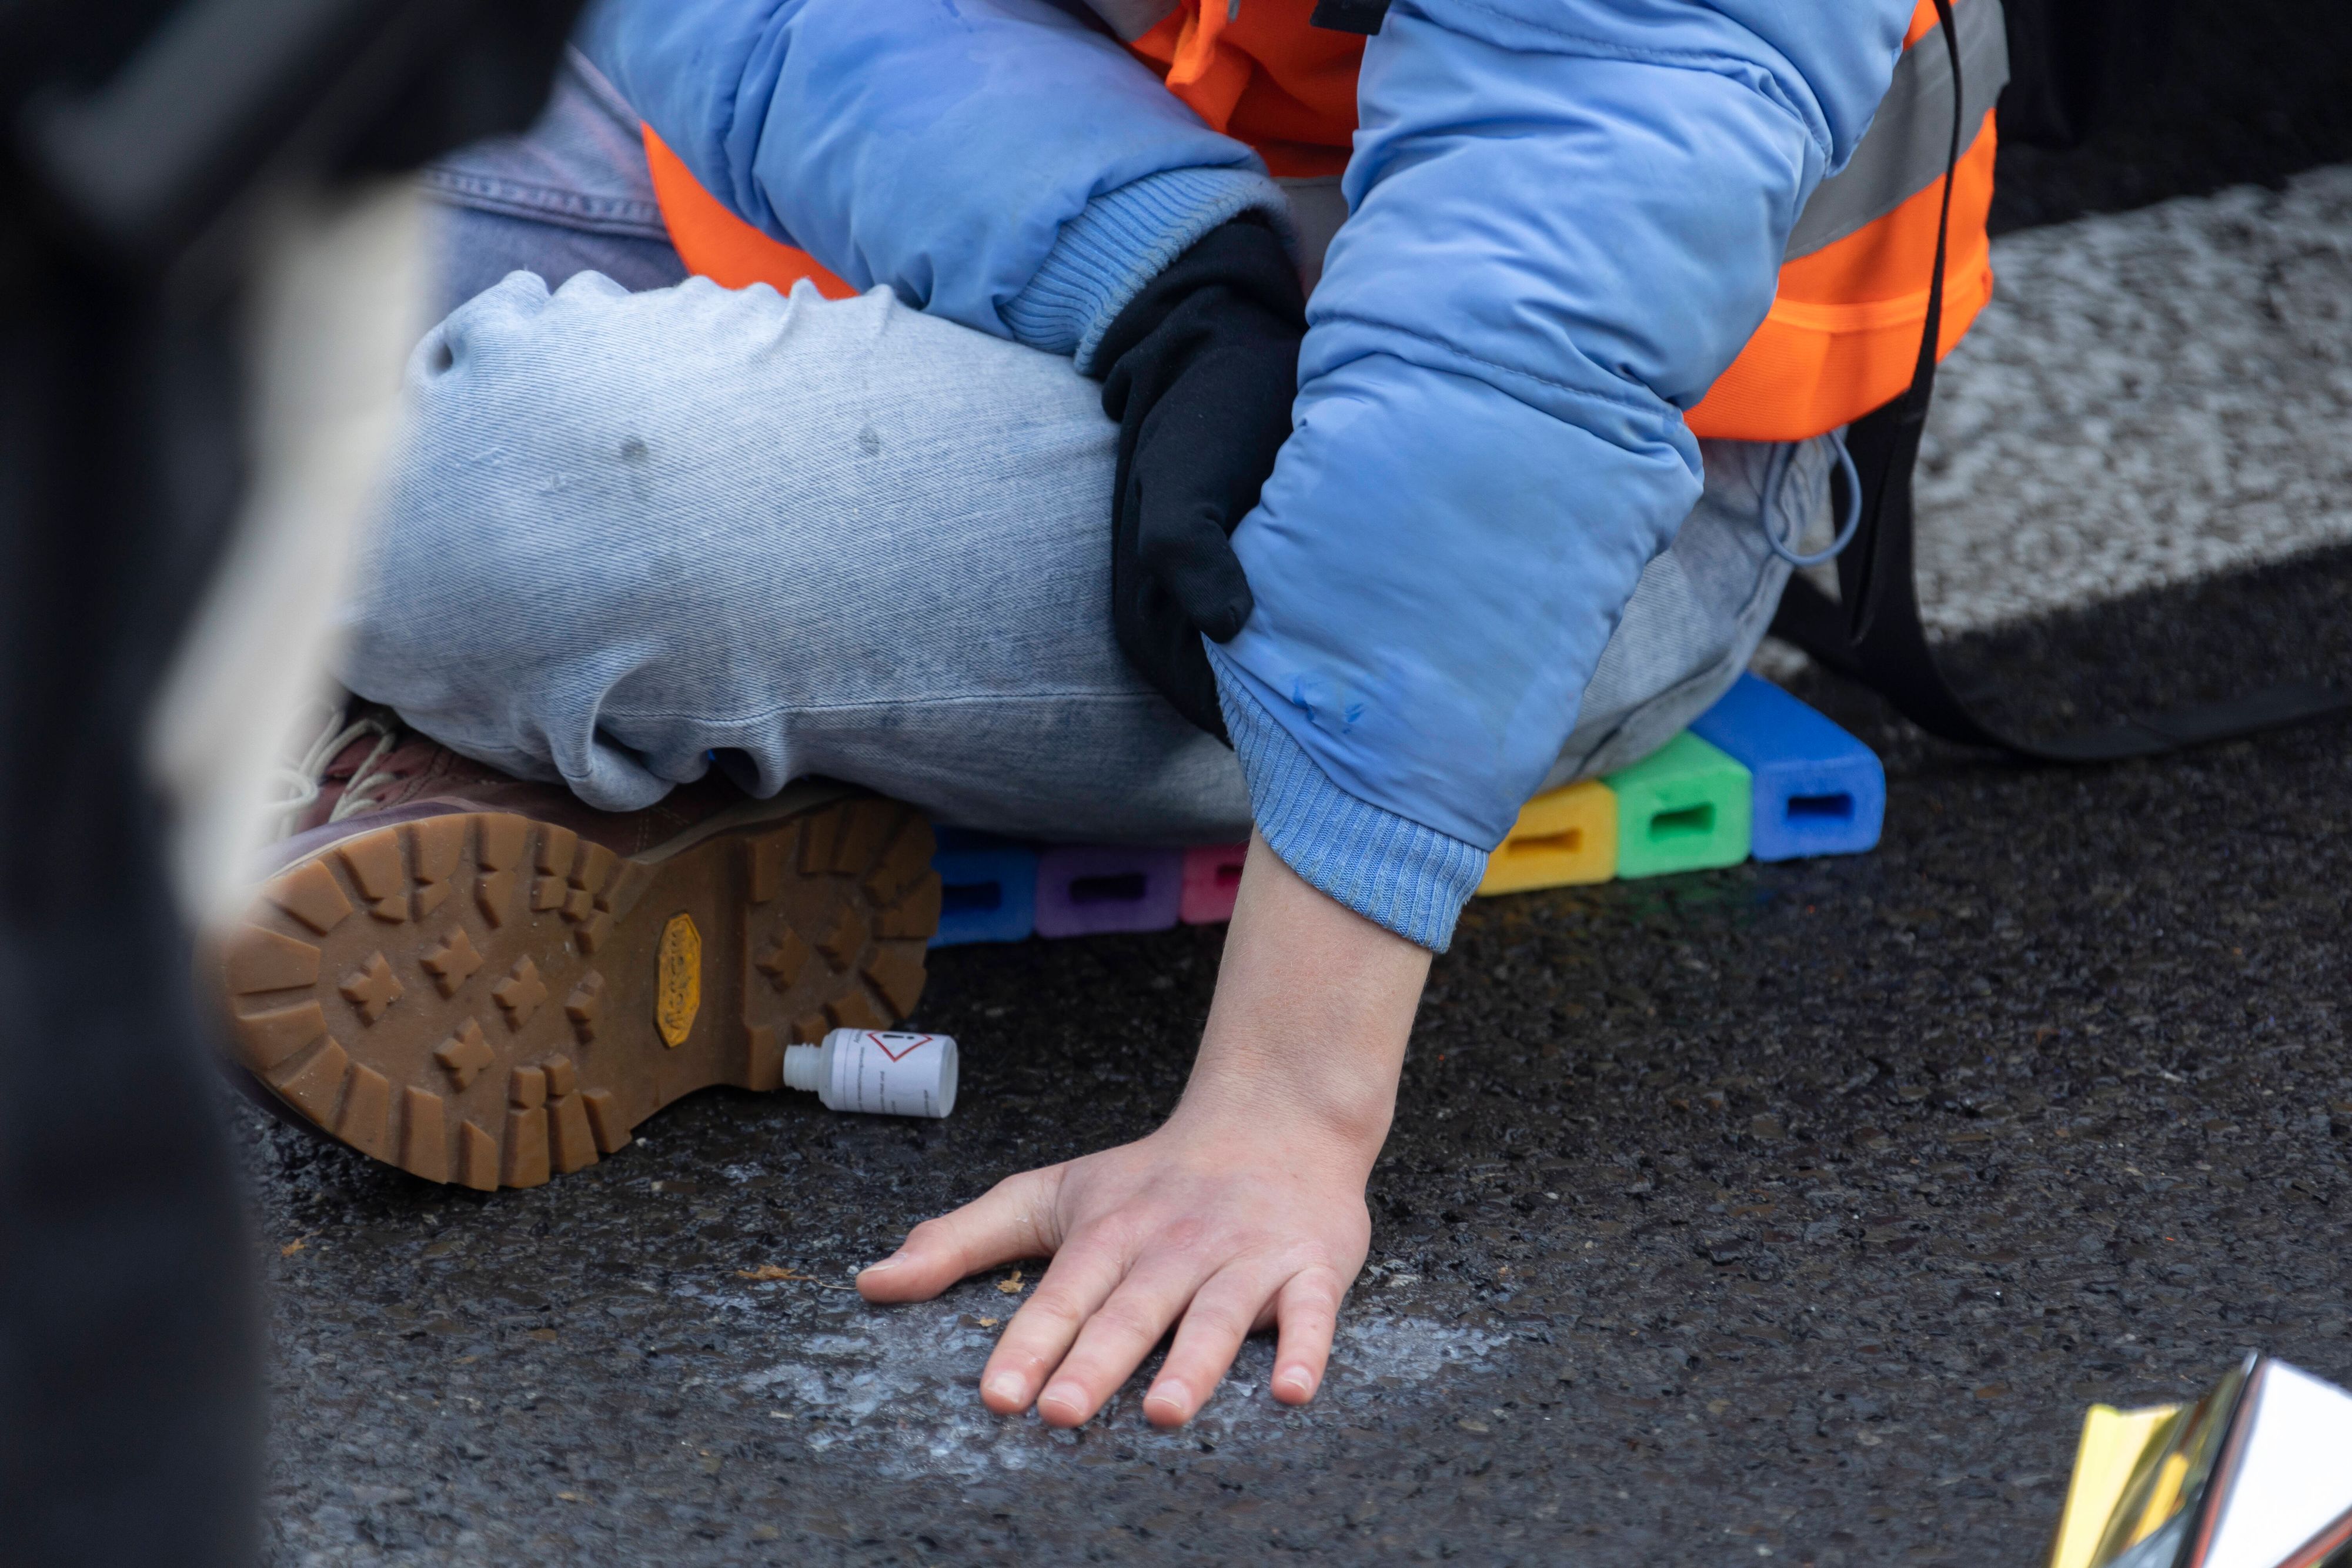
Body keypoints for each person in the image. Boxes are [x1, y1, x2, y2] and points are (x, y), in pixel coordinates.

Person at [216, 0, 2000, 1430]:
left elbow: (1529, 328)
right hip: (1004, 174)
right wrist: (1149, 266)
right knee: (133, 210)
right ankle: (598, 732)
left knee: (509, 492)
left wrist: (1283, 1114)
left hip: (1578, 460)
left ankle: (530, 710)